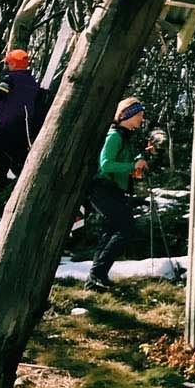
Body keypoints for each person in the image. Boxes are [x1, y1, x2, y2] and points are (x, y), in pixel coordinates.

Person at [86, 97, 148, 292]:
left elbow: (123, 166)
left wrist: (138, 161)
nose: (141, 118)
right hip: (103, 189)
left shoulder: (125, 137)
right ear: (126, 115)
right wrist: (132, 165)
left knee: (110, 232)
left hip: (112, 190)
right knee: (125, 228)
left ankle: (96, 279)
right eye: (138, 114)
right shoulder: (114, 136)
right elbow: (106, 165)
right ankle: (96, 276)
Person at [0, 48, 50, 184]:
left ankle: (1, 182)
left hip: (6, 124)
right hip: (24, 125)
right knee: (19, 154)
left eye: (9, 63)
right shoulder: (32, 82)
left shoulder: (10, 79)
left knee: (0, 152)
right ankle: (24, 181)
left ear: (14, 64)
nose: (8, 66)